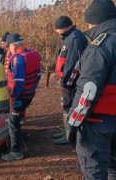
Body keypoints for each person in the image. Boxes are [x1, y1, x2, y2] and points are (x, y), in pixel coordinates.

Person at [67, 0, 116, 179]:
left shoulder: (100, 47)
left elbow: (88, 90)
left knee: (94, 172)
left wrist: (73, 124)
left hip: (98, 123)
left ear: (95, 21)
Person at [2, 34, 42, 161]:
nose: (9, 50)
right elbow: (39, 74)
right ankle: (17, 139)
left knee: (13, 120)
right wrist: (32, 88)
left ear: (13, 45)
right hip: (30, 93)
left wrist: (13, 97)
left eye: (9, 47)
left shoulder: (18, 59)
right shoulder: (34, 54)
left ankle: (15, 151)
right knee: (17, 117)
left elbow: (18, 82)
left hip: (20, 96)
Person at [53, 16, 88, 145]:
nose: (57, 32)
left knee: (70, 107)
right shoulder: (69, 37)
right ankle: (66, 131)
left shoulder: (74, 39)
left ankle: (70, 136)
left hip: (72, 82)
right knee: (66, 107)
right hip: (66, 79)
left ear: (65, 27)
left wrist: (67, 83)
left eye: (58, 29)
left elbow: (74, 64)